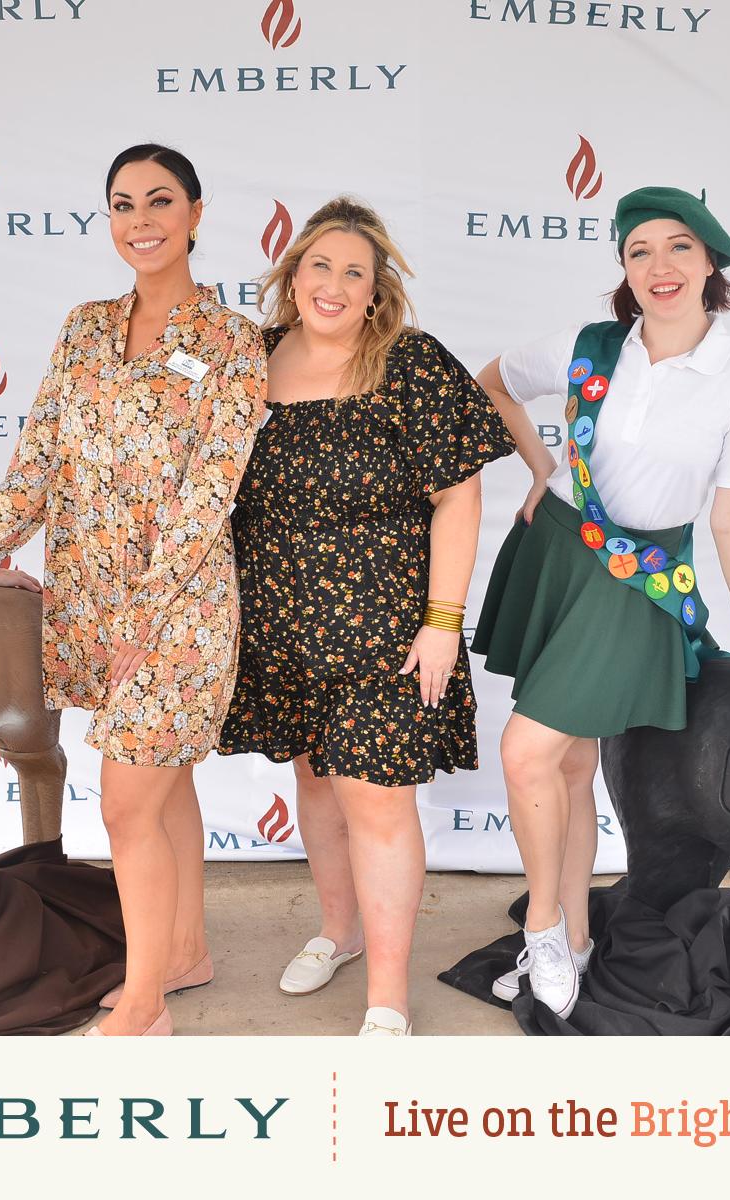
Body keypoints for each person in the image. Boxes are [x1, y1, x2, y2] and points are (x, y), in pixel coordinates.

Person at [0, 144, 265, 1037]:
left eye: (160, 200)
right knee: (165, 791)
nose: (141, 220)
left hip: (179, 611)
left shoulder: (233, 342)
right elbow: (35, 469)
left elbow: (210, 493)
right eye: (123, 204)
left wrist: (146, 615)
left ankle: (143, 1005)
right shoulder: (85, 326)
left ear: (197, 214)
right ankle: (183, 952)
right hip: (89, 604)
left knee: (129, 798)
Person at [471, 186, 730, 1019]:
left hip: (638, 581)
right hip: (559, 550)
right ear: (624, 270)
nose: (659, 267)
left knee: (527, 752)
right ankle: (580, 940)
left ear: (711, 264)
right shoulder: (589, 346)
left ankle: (546, 932)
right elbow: (492, 383)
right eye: (639, 252)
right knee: (565, 760)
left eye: (678, 248)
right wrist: (538, 467)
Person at [218, 198, 514, 1036]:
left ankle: (387, 996)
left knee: (377, 801)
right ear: (292, 273)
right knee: (315, 780)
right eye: (320, 266)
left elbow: (460, 496)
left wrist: (442, 622)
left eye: (355, 270)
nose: (334, 284)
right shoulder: (251, 360)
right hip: (279, 621)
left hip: (386, 627)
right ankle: (338, 931)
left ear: (378, 287)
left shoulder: (411, 363)